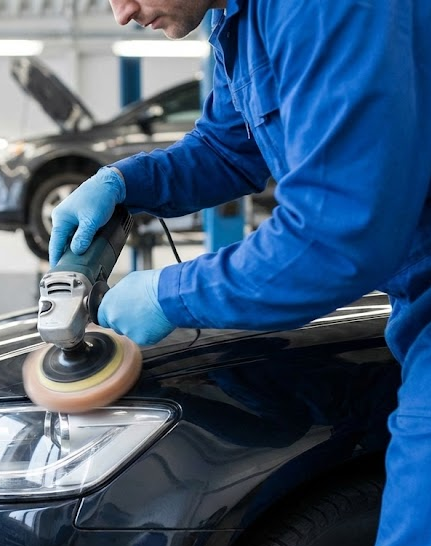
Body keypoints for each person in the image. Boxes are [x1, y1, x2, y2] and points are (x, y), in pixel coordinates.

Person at [48, 1, 431, 544]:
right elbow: (228, 148)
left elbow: (334, 234)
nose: (123, 13)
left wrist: (169, 295)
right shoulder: (239, 18)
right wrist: (124, 182)